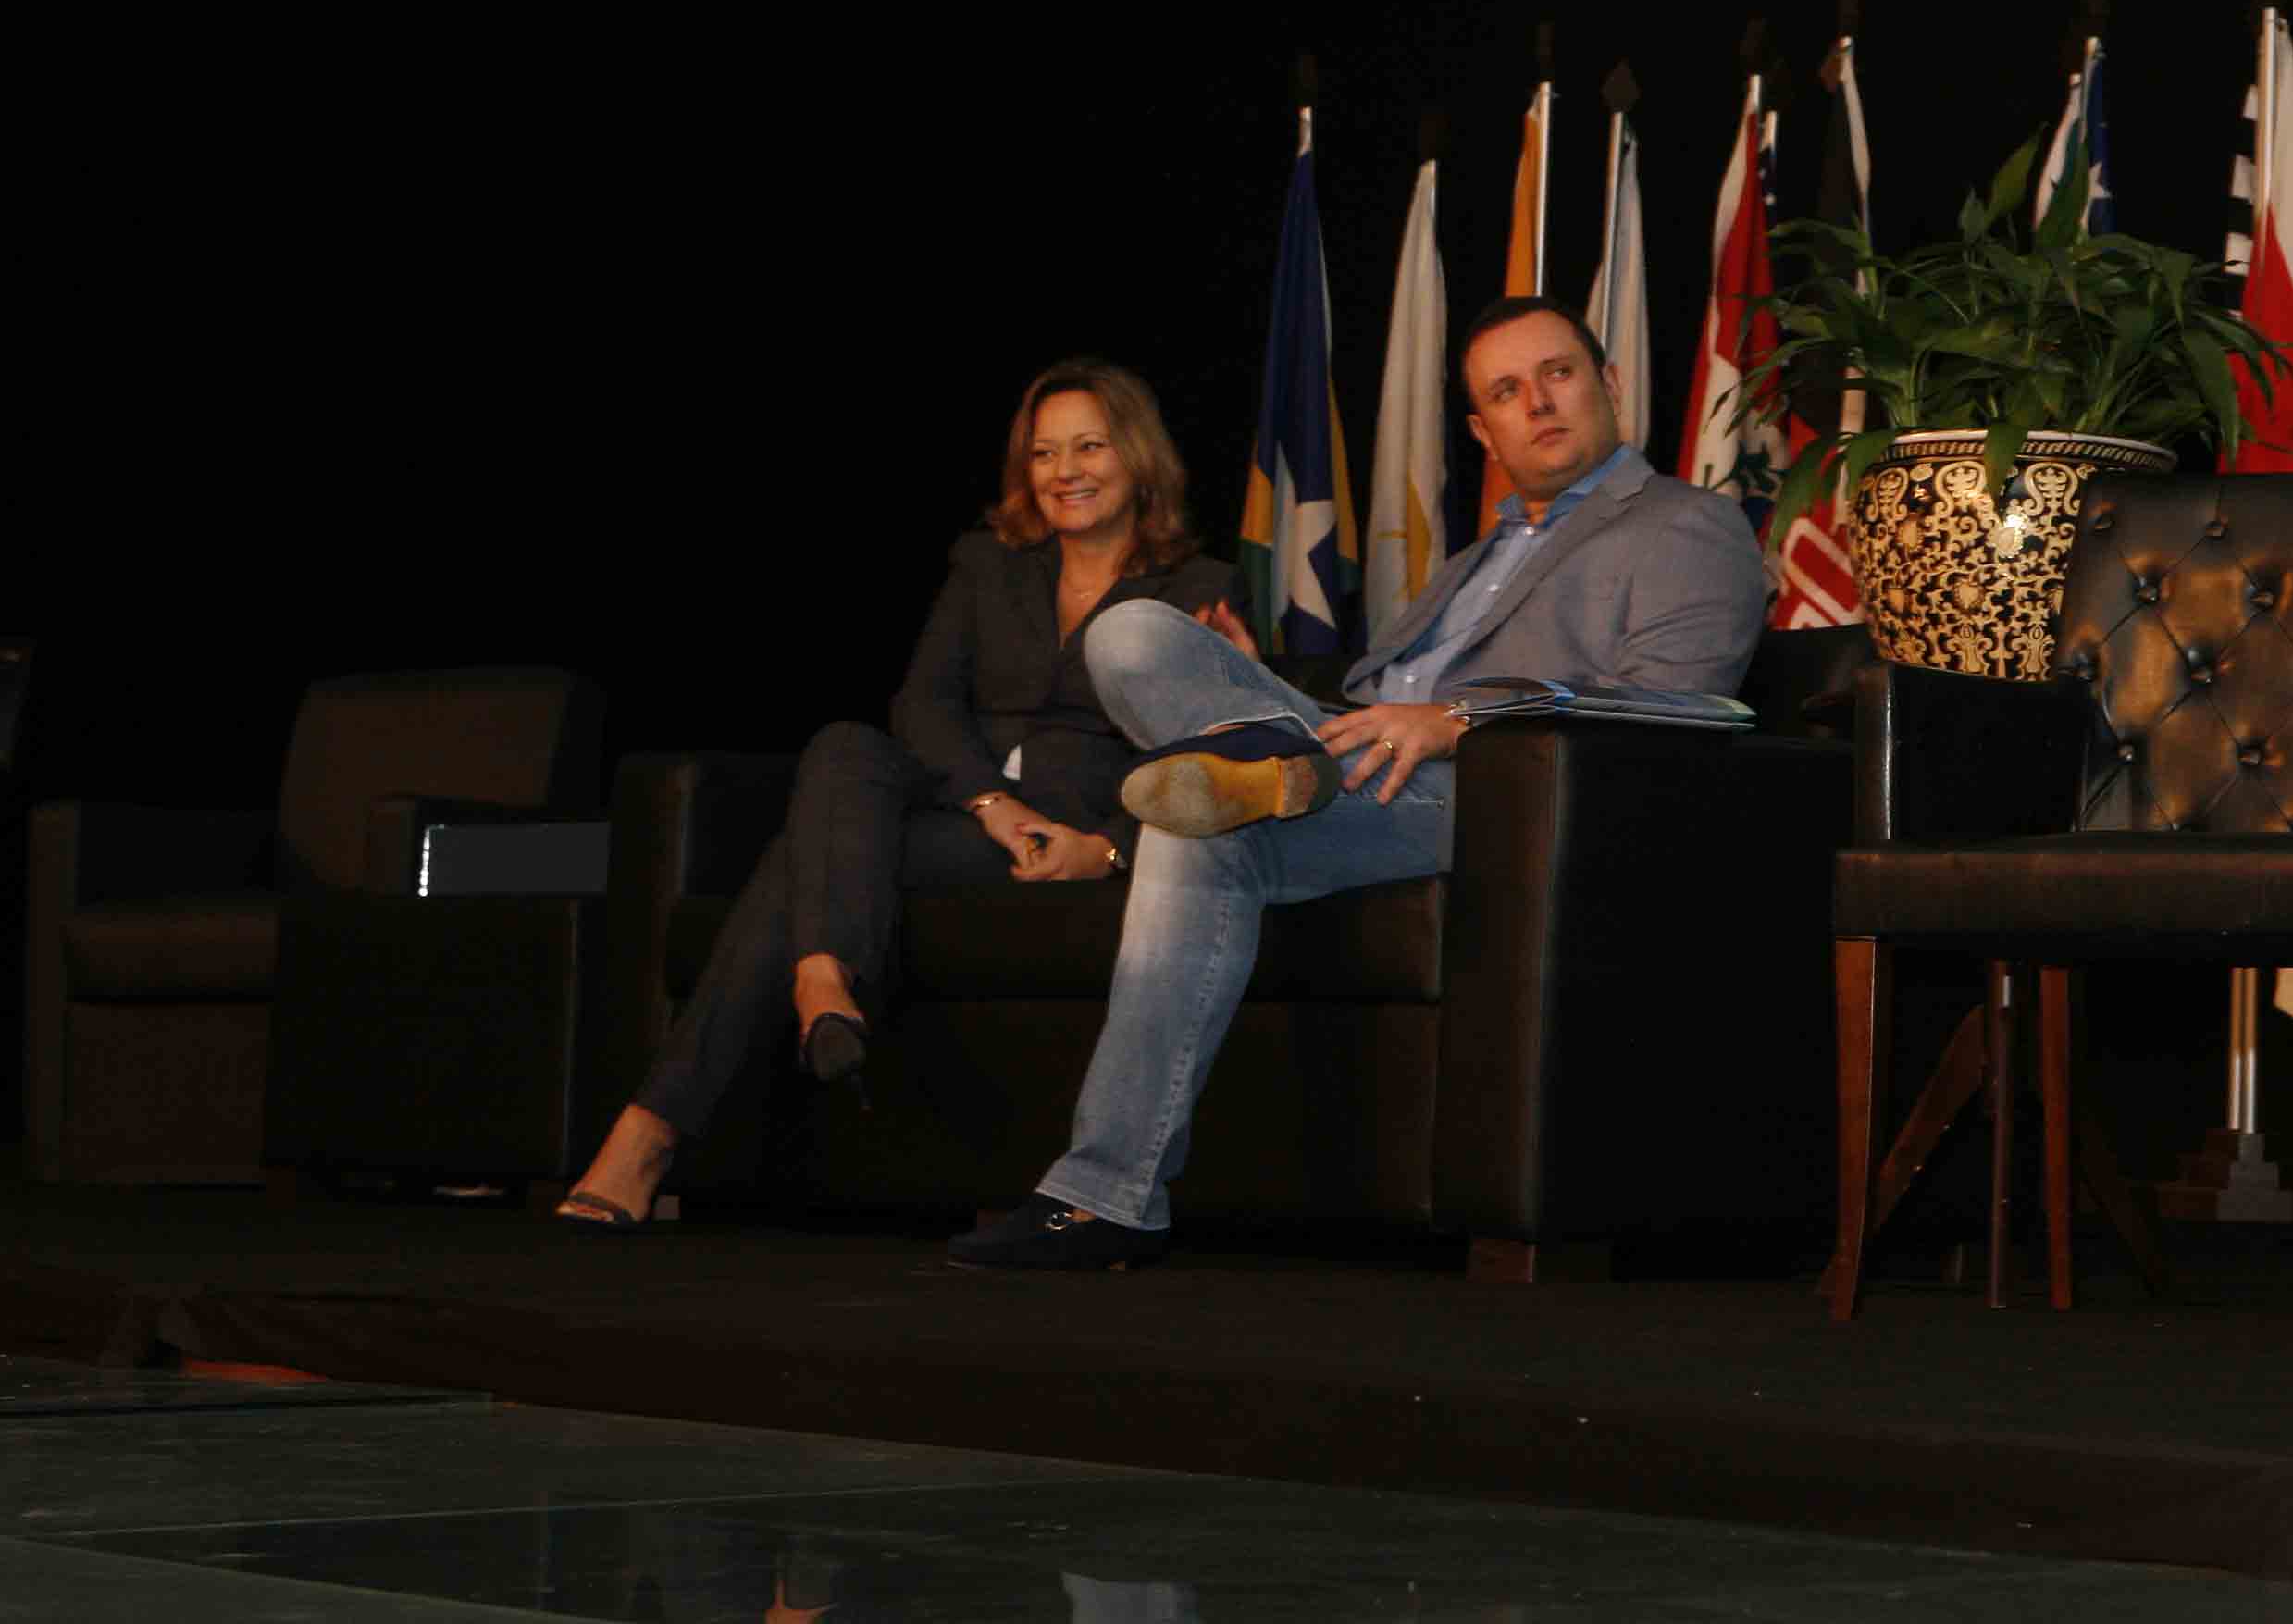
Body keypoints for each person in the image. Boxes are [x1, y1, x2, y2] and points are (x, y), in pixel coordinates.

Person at [947, 296, 1770, 1270]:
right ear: (1483, 431)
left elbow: (1679, 711)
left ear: (1611, 384)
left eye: (1558, 373)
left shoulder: (1688, 522)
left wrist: (1460, 721)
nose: (1539, 402)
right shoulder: (1473, 560)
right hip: (1357, 765)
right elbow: (1370, 703)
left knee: (1197, 786)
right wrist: (1255, 679)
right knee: (1136, 648)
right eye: (1507, 391)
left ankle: (1251, 762)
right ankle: (1111, 1195)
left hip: (1495, 796)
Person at [554, 358, 1235, 1230]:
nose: (1065, 471)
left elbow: (1209, 757)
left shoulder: (1201, 589)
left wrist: (1105, 849)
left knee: (801, 857)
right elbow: (923, 701)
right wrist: (990, 801)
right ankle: (820, 980)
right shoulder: (989, 563)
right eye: (1044, 453)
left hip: (1060, 836)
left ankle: (657, 1125)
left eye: (1090, 447)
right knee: (844, 747)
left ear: (1138, 457)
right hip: (966, 804)